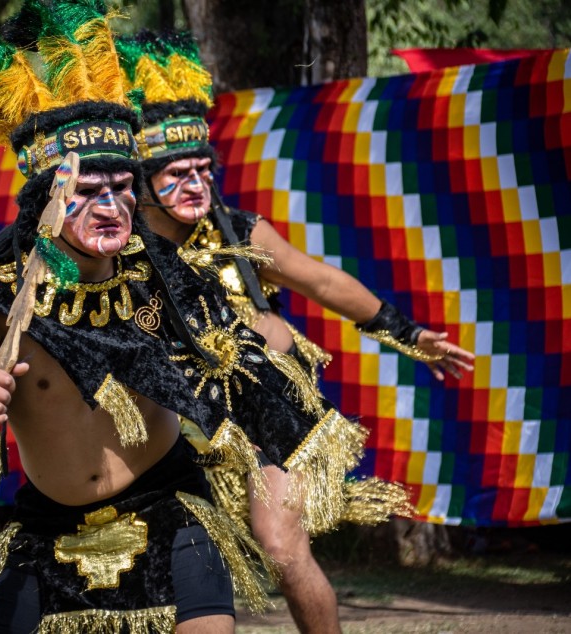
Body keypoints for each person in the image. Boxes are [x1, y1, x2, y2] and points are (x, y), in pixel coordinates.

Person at [0, 5, 377, 632]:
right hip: (44, 530)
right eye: (88, 191)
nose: (112, 205)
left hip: (168, 510)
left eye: (121, 187)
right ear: (45, 202)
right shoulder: (4, 285)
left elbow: (240, 354)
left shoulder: (163, 277)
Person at [118, 31, 476, 633]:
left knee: (281, 546)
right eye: (176, 174)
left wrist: (409, 335)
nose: (195, 186)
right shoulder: (122, 253)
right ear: (143, 183)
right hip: (180, 424)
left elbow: (325, 283)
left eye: (203, 170)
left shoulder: (243, 234)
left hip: (273, 419)